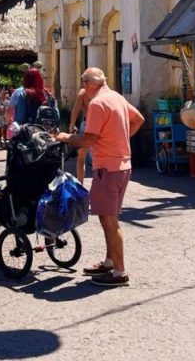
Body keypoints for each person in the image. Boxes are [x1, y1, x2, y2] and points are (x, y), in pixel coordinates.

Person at [56, 68, 144, 288]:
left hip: (108, 168)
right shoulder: (116, 97)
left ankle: (119, 271)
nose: (83, 88)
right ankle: (110, 262)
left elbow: (87, 140)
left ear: (88, 84)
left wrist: (65, 137)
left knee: (109, 220)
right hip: (122, 165)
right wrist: (120, 137)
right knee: (109, 218)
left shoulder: (97, 103)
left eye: (83, 83)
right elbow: (139, 119)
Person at [69, 86, 96, 185]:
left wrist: (72, 126)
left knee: (81, 158)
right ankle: (99, 183)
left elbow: (75, 111)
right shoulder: (102, 92)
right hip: (99, 125)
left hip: (87, 124)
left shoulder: (83, 93)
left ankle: (80, 183)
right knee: (99, 157)